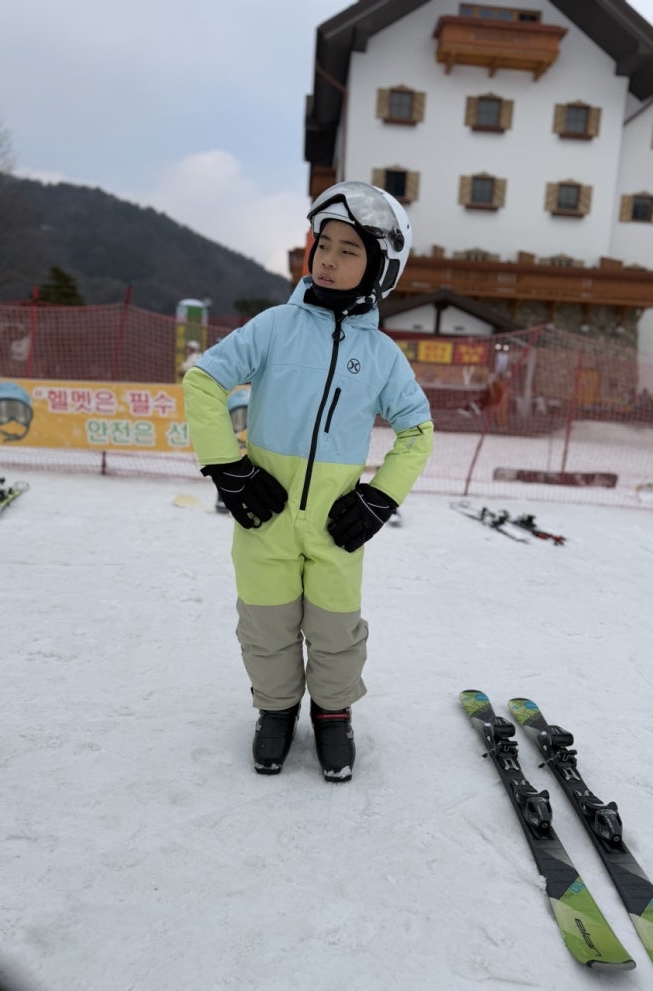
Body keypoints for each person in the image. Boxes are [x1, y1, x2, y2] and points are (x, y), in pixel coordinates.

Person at [183, 181, 433, 782]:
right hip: (264, 517)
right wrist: (229, 469)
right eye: (324, 244)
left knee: (335, 632)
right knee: (265, 627)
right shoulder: (275, 328)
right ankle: (275, 710)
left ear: (380, 268)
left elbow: (417, 431)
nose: (328, 258)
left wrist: (378, 499)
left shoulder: (382, 356)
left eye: (349, 250)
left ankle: (332, 713)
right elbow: (204, 381)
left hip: (334, 526)